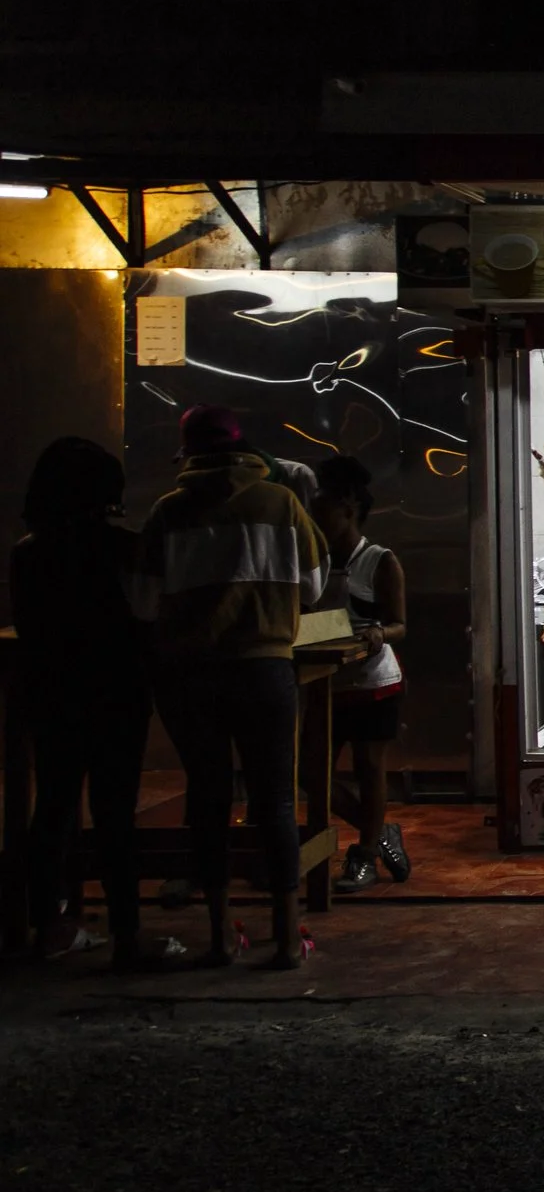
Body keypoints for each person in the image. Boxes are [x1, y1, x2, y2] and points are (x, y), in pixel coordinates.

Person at [132, 405, 327, 969]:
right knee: (276, 803)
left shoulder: (168, 512)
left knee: (210, 802)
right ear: (247, 452)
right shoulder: (282, 503)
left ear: (188, 455)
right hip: (264, 669)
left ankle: (219, 935)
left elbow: (143, 602)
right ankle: (288, 937)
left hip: (190, 677)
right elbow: (312, 588)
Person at [10, 438, 173, 967]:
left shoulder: (27, 553)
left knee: (53, 809)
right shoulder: (125, 548)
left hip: (51, 695)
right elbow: (148, 620)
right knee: (114, 815)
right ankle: (127, 935)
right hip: (117, 695)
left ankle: (50, 927)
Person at [309, 456, 410, 892]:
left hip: (373, 683)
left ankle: (365, 852)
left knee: (370, 766)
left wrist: (377, 633)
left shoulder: (380, 560)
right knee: (310, 774)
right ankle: (381, 828)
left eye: (323, 511)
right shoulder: (311, 563)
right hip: (323, 683)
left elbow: (400, 624)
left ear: (349, 509)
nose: (315, 520)